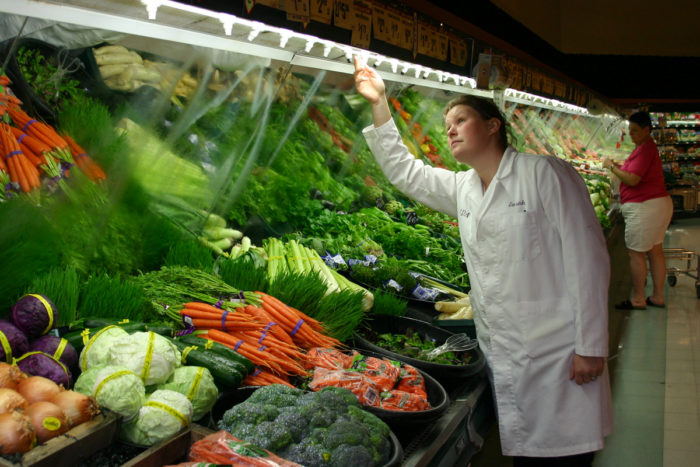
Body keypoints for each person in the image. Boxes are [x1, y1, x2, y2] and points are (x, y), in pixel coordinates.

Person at [353, 56, 613, 466]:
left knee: (566, 457)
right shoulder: (463, 188)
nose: (450, 129)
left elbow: (589, 260)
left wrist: (591, 346)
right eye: (446, 124)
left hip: (558, 352)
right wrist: (379, 102)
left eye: (460, 119)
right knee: (528, 457)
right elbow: (405, 173)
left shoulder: (545, 174)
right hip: (505, 353)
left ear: (493, 125)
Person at [603, 112, 672, 310]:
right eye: (629, 130)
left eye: (634, 131)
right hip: (657, 205)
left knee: (636, 254)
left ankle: (638, 299)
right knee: (655, 252)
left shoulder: (646, 149)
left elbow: (633, 179)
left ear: (646, 130)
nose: (631, 134)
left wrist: (611, 167)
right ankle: (657, 296)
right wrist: (619, 167)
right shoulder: (644, 148)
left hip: (645, 208)